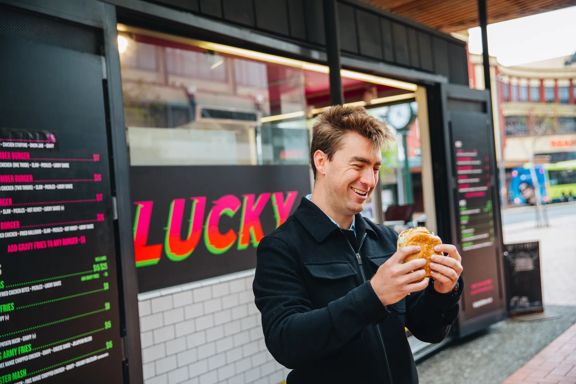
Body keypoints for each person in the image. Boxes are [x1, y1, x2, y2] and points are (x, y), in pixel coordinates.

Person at [253, 105, 463, 384]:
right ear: (322, 161)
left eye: (375, 168)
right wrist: (374, 296)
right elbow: (286, 343)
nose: (369, 180)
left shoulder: (386, 239)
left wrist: (442, 291)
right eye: (358, 165)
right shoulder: (281, 248)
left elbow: (429, 330)